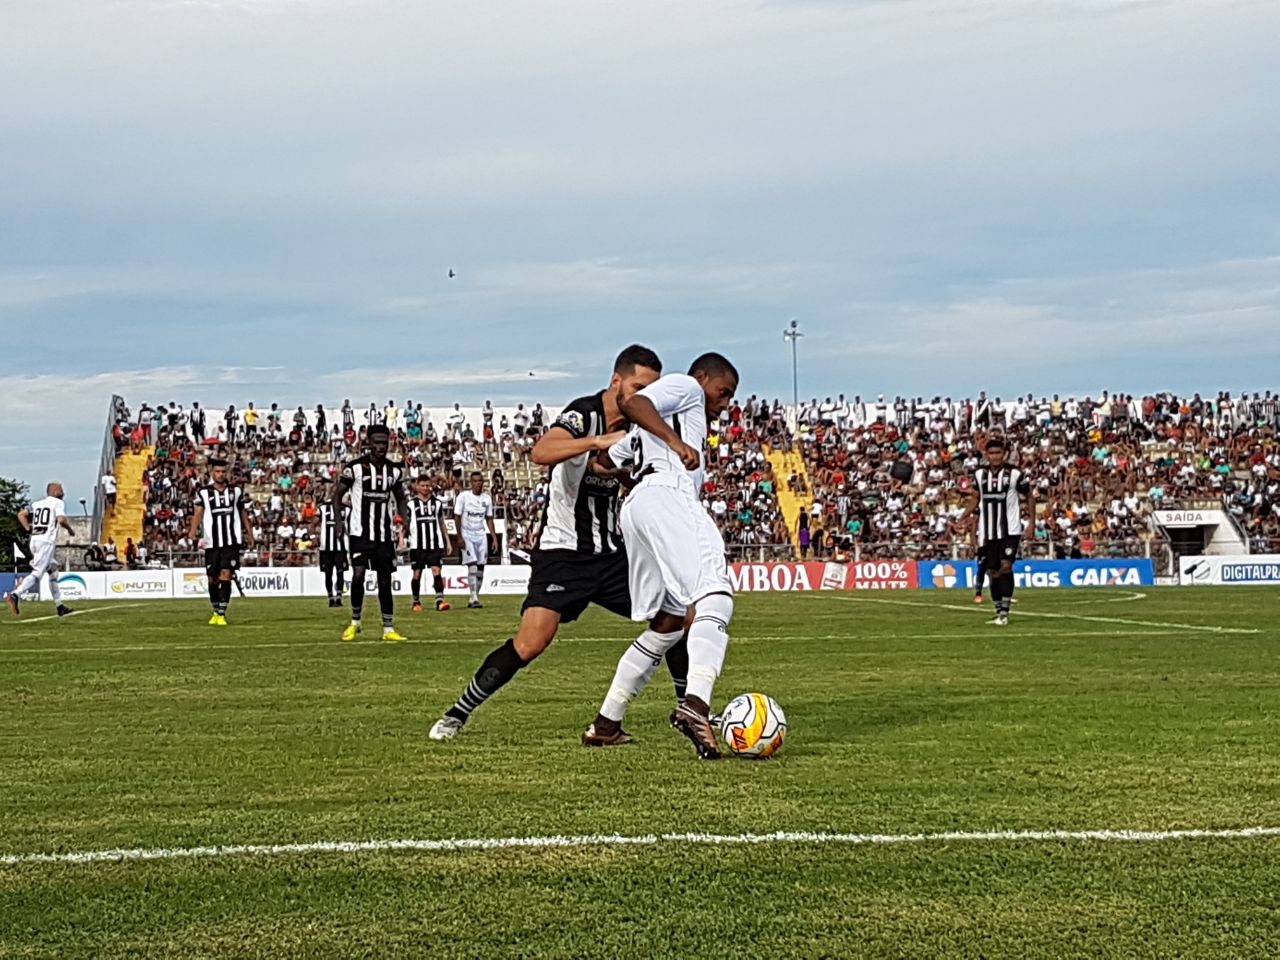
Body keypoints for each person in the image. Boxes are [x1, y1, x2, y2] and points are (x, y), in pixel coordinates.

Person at [428, 345, 687, 744]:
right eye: (637, 387)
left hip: (612, 554)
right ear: (616, 380)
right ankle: (456, 715)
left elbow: (622, 475)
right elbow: (541, 451)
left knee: (675, 616)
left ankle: (690, 709)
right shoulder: (584, 413)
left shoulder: (641, 427)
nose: (642, 399)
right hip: (563, 554)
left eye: (650, 391)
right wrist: (594, 441)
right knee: (530, 644)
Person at [585, 352, 739, 760]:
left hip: (638, 506)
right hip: (668, 494)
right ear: (703, 377)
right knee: (715, 593)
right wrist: (676, 445)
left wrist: (626, 473)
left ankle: (606, 722)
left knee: (669, 622)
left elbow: (601, 464)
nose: (724, 404)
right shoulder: (685, 388)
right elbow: (631, 403)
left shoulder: (643, 432)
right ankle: (697, 705)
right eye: (723, 393)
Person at [332, 423, 409, 641]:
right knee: (358, 576)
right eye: (376, 442)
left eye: (384, 443)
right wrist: (339, 522)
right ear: (368, 443)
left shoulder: (393, 470)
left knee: (385, 581)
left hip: (384, 535)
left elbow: (401, 497)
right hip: (359, 533)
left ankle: (388, 628)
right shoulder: (355, 468)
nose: (380, 447)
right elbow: (337, 495)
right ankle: (355, 622)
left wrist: (403, 519)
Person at [962, 436, 1034, 626]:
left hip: (1010, 529)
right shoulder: (979, 475)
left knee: (1006, 566)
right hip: (988, 531)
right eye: (991, 453)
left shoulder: (1015, 474)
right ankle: (998, 610)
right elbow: (975, 499)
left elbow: (1029, 496)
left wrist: (1032, 523)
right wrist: (962, 517)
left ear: (1005, 454)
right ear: (987, 455)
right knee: (992, 572)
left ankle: (1005, 612)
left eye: (998, 453)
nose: (995, 456)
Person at [187, 458, 254, 626]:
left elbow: (243, 513)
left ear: (227, 473)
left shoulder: (236, 491)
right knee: (212, 579)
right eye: (217, 471)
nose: (221, 474)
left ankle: (221, 613)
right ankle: (215, 609)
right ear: (212, 473)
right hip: (211, 542)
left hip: (231, 541)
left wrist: (250, 534)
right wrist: (192, 532)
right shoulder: (204, 492)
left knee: (226, 574)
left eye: (223, 472)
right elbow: (198, 513)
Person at [5, 482, 76, 617]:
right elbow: (61, 520)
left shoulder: (36, 504)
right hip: (46, 542)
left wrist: (28, 528)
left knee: (53, 572)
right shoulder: (57, 503)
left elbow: (21, 514)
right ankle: (15, 594)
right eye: (61, 490)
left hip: (35, 540)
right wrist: (70, 530)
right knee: (37, 573)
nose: (63, 493)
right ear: (55, 492)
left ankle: (60, 606)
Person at [401, 474, 453, 612]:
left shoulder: (437, 504)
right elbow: (405, 524)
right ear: (417, 486)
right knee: (417, 573)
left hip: (435, 544)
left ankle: (440, 600)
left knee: (436, 570)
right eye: (422, 486)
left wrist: (448, 542)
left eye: (427, 486)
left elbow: (442, 523)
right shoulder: (411, 504)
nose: (425, 488)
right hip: (417, 545)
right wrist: (401, 539)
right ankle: (416, 602)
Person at [453, 471, 497, 609]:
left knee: (481, 567)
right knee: (472, 565)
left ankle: (475, 596)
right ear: (471, 483)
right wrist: (459, 537)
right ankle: (473, 597)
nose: (478, 483)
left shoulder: (487, 499)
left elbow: (489, 519)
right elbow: (457, 517)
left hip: (481, 534)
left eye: (480, 481)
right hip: (467, 534)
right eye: (475, 481)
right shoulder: (463, 497)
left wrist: (494, 538)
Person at [316, 494, 350, 608]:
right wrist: (313, 537)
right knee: (328, 573)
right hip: (326, 547)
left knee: (340, 573)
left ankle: (339, 597)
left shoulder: (347, 509)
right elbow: (313, 523)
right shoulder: (322, 508)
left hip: (340, 547)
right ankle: (331, 597)